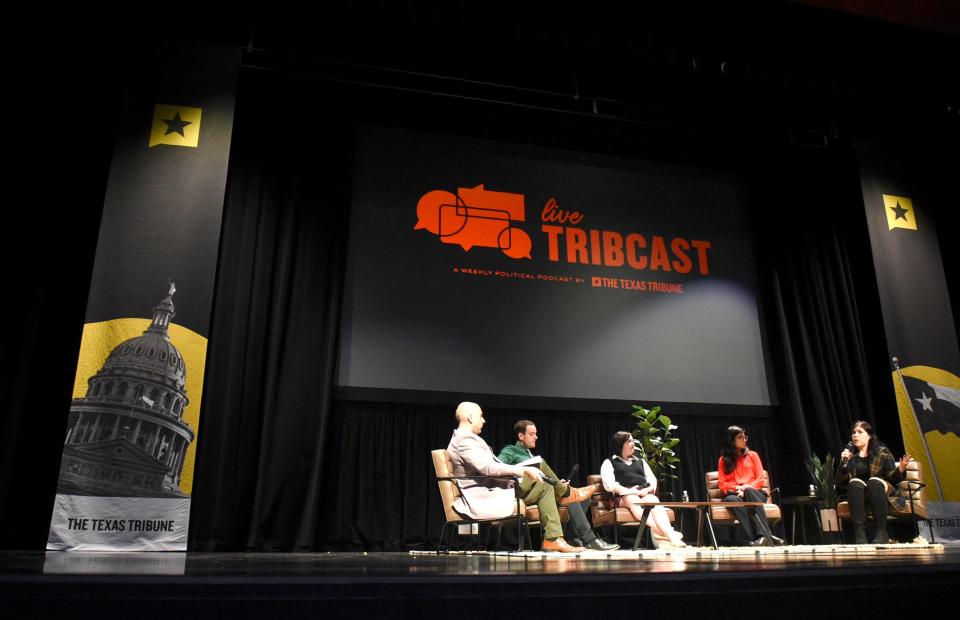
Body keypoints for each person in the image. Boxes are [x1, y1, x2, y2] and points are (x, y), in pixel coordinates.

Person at [446, 402, 585, 553]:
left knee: (545, 485)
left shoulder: (466, 439)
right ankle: (565, 494)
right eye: (481, 416)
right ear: (471, 418)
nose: (484, 420)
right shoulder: (464, 440)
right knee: (539, 464)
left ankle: (552, 539)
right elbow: (488, 468)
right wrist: (522, 470)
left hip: (496, 488)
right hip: (487, 494)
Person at [498, 420, 619, 551]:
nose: (536, 437)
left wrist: (557, 483)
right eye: (532, 434)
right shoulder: (510, 450)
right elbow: (498, 468)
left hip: (536, 491)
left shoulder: (529, 454)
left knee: (578, 498)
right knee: (543, 466)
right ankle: (588, 537)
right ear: (521, 436)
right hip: (517, 491)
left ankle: (572, 538)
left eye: (536, 434)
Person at [600, 431, 686, 549]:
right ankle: (664, 533)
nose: (633, 443)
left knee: (652, 498)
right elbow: (610, 485)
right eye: (629, 441)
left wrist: (647, 490)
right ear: (621, 444)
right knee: (632, 498)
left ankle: (665, 533)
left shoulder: (640, 461)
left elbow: (653, 481)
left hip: (642, 493)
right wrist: (631, 491)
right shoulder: (609, 462)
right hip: (622, 497)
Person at [839, 420, 911, 544]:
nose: (855, 435)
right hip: (860, 493)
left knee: (873, 481)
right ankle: (860, 532)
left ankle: (882, 531)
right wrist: (843, 463)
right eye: (853, 433)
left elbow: (892, 477)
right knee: (855, 482)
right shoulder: (851, 457)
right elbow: (841, 483)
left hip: (881, 489)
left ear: (869, 435)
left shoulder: (881, 452)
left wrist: (901, 469)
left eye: (860, 432)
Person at [717, 426, 784, 546]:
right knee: (731, 500)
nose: (744, 440)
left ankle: (763, 536)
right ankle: (764, 537)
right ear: (731, 440)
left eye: (745, 437)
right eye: (740, 437)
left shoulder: (753, 455)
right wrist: (737, 488)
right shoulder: (723, 460)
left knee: (749, 490)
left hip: (756, 494)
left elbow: (760, 479)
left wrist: (746, 487)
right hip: (736, 495)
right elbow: (722, 484)